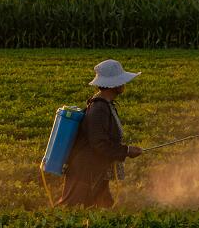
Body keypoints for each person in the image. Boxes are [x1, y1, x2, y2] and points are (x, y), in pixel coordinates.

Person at [56, 59, 143, 208]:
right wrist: (127, 150)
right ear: (114, 84)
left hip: (96, 169)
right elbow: (99, 144)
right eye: (121, 80)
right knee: (71, 210)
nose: (124, 84)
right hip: (85, 171)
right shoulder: (99, 109)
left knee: (104, 207)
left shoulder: (104, 104)